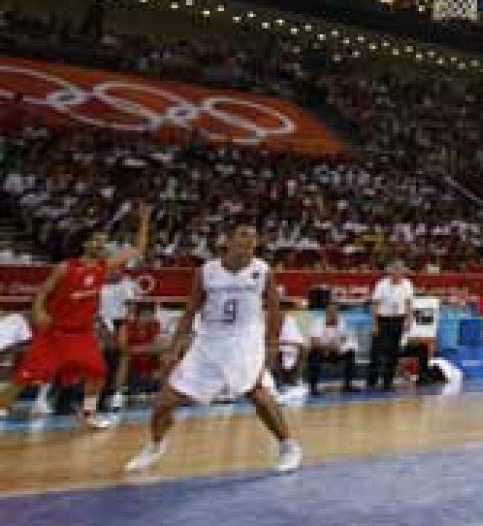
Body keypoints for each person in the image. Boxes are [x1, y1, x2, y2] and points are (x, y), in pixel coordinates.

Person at [125, 222, 303, 474]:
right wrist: (174, 349)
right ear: (228, 240)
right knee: (165, 401)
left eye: (253, 238)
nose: (249, 241)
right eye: (243, 235)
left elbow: (275, 311)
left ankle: (288, 446)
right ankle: (155, 445)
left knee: (259, 395)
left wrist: (271, 345)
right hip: (210, 341)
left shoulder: (262, 270)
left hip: (245, 340)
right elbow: (189, 312)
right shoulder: (207, 271)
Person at [0, 203, 150, 428]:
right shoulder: (65, 268)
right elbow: (43, 292)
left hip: (82, 335)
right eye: (96, 240)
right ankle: (2, 408)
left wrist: (144, 221)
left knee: (98, 373)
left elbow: (137, 250)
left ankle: (89, 414)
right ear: (84, 244)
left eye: (103, 240)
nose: (101, 244)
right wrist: (39, 310)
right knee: (25, 377)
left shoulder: (102, 267)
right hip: (56, 334)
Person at [96, 264, 143, 414]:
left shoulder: (126, 284)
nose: (116, 272)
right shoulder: (96, 283)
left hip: (118, 322)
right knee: (99, 357)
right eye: (112, 268)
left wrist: (121, 328)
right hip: (98, 322)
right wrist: (100, 325)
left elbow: (130, 311)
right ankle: (93, 397)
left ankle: (114, 394)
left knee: (118, 354)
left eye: (119, 269)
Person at [367, 260, 414, 392]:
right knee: (376, 352)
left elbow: (409, 303)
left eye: (401, 270)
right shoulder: (381, 284)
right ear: (390, 271)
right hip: (383, 320)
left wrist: (409, 319)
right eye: (396, 270)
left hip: (398, 320)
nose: (399, 272)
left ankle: (387, 382)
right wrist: (374, 324)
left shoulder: (407, 284)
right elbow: (375, 304)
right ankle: (372, 381)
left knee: (393, 353)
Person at [306, 305, 358, 396]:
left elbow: (344, 339)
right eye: (332, 314)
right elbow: (314, 343)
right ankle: (313, 387)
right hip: (321, 351)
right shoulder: (318, 323)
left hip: (335, 351)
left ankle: (347, 384)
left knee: (351, 353)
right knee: (313, 355)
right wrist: (327, 348)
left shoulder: (341, 322)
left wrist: (340, 347)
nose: (334, 317)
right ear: (327, 314)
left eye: (336, 314)